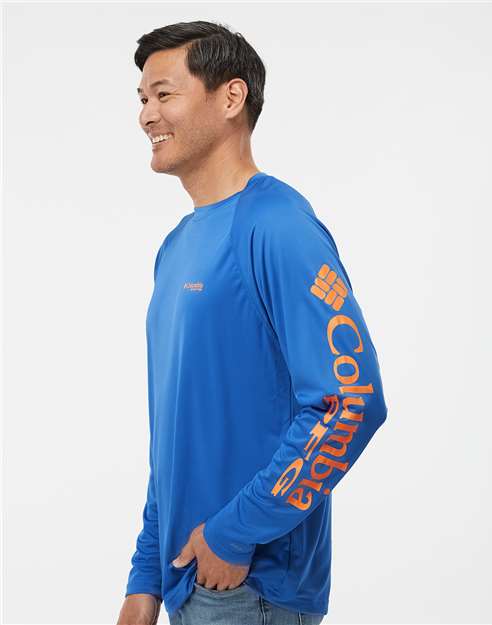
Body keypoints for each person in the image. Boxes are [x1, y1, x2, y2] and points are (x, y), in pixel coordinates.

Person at [116, 20, 388, 625]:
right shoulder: (176, 247)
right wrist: (146, 574)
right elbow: (177, 431)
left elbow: (350, 401)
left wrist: (234, 532)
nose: (146, 115)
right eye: (141, 98)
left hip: (250, 587)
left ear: (231, 97)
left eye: (164, 94)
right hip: (186, 581)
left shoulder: (279, 226)